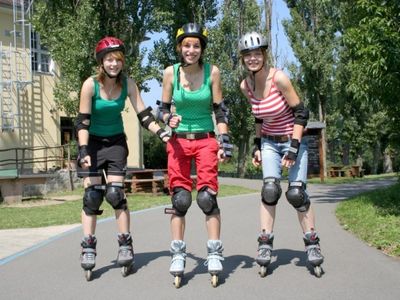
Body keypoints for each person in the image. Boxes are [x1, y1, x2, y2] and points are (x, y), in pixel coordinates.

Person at [75, 36, 170, 280]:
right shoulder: (90, 85)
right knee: (92, 197)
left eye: (117, 59)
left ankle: (125, 244)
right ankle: (88, 246)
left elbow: (144, 114)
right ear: (101, 62)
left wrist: (159, 131)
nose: (113, 64)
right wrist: (84, 150)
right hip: (92, 143)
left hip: (116, 141)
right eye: (109, 59)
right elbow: (82, 121)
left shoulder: (128, 84)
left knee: (116, 194)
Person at [238, 32, 324, 277]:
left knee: (296, 194)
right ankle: (265, 243)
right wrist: (256, 145)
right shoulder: (246, 86)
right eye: (248, 55)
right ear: (243, 59)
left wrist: (295, 147)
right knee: (269, 190)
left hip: (293, 139)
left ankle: (312, 242)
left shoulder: (280, 78)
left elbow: (302, 113)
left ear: (264, 55)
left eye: (257, 53)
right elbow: (258, 116)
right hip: (269, 142)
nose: (253, 58)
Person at [160, 23, 232, 287]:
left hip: (205, 140)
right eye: (187, 45)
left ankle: (214, 251)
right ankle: (178, 253)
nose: (191, 50)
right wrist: (170, 119)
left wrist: (224, 141)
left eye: (196, 45)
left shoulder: (212, 72)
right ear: (180, 48)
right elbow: (163, 110)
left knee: (206, 198)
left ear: (202, 49)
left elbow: (220, 111)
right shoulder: (170, 73)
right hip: (178, 142)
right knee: (180, 199)